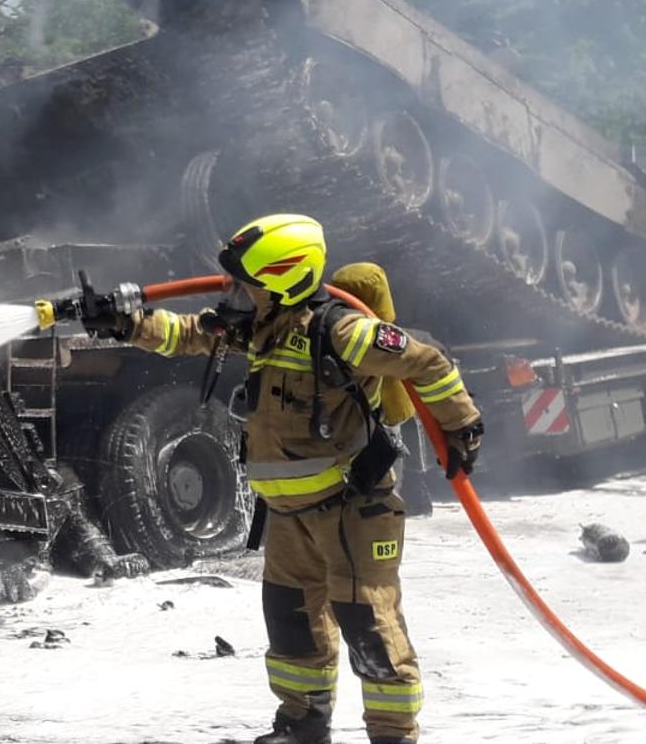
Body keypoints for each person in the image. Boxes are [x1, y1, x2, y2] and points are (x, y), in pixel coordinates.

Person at [83, 214, 484, 744]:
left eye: (247, 283)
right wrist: (126, 323)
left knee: (369, 628)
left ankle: (393, 734)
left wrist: (461, 428)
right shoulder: (261, 329)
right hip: (290, 515)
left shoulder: (341, 331)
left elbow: (425, 362)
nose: (235, 292)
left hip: (351, 509)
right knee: (293, 624)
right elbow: (186, 334)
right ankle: (302, 724)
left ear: (283, 279)